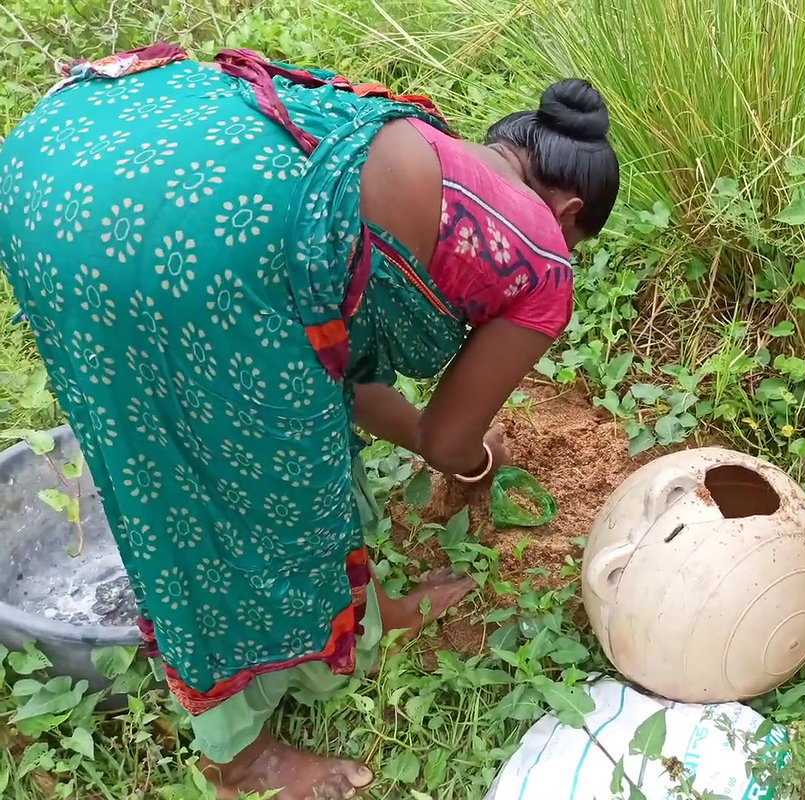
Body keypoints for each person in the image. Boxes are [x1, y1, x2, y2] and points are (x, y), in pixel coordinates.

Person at [0, 42, 617, 799]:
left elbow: (330, 364)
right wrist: (471, 455)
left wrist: (435, 436)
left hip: (67, 152)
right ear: (570, 214)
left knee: (243, 427)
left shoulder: (416, 142)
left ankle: (361, 615)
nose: (565, 250)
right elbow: (447, 442)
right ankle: (238, 759)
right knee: (229, 497)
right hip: (188, 251)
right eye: (576, 242)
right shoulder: (540, 258)